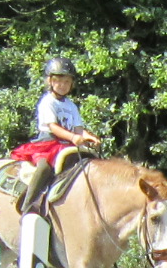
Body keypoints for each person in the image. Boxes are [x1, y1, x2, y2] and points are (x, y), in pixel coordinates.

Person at [10, 56, 101, 213]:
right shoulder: (48, 102)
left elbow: (77, 127)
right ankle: (28, 203)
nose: (63, 85)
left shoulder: (71, 105)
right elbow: (53, 127)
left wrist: (87, 137)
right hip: (48, 144)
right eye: (59, 81)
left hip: (67, 144)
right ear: (50, 81)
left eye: (67, 82)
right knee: (45, 166)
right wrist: (73, 137)